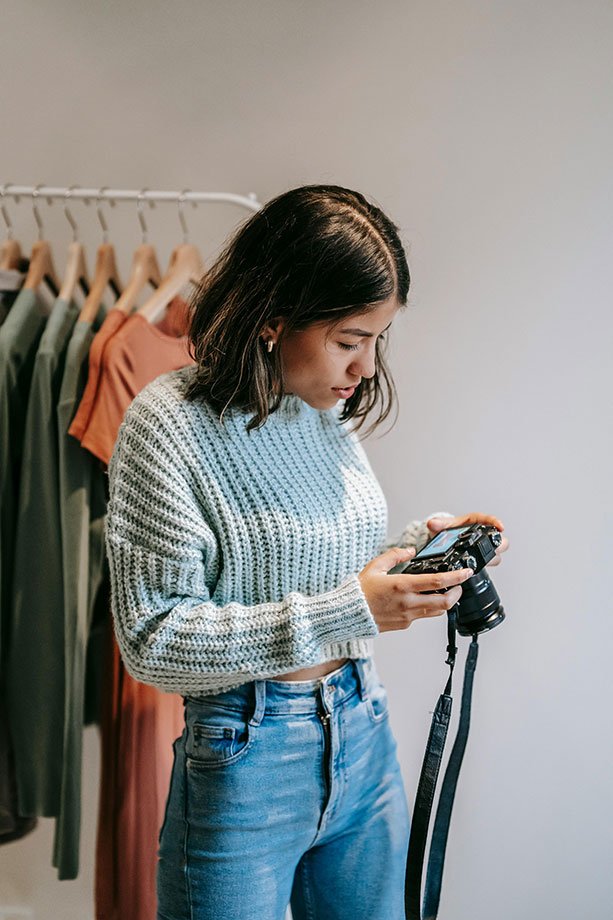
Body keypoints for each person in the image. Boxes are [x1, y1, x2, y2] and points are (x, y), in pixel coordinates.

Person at [105, 184, 509, 920]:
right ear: (273, 318)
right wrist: (352, 607)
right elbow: (153, 640)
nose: (363, 368)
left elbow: (323, 568)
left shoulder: (325, 411)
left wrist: (420, 551)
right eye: (349, 340)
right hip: (245, 757)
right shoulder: (167, 425)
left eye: (376, 341)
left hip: (362, 728)